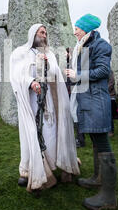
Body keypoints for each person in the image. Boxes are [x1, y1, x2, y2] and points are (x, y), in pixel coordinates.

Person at [10, 23, 80, 192]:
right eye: (41, 32)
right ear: (33, 34)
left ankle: (53, 166)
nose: (44, 35)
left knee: (50, 133)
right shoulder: (20, 52)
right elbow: (15, 73)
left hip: (47, 99)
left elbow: (56, 72)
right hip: (31, 100)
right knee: (32, 133)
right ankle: (30, 170)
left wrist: (48, 64)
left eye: (45, 33)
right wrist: (30, 82)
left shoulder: (48, 53)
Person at [65, 14, 116, 210]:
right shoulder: (84, 46)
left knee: (102, 142)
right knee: (96, 140)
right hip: (88, 98)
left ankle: (109, 197)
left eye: (77, 27)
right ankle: (98, 178)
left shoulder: (101, 45)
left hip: (96, 100)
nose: (75, 31)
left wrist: (77, 75)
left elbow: (103, 71)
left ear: (86, 29)